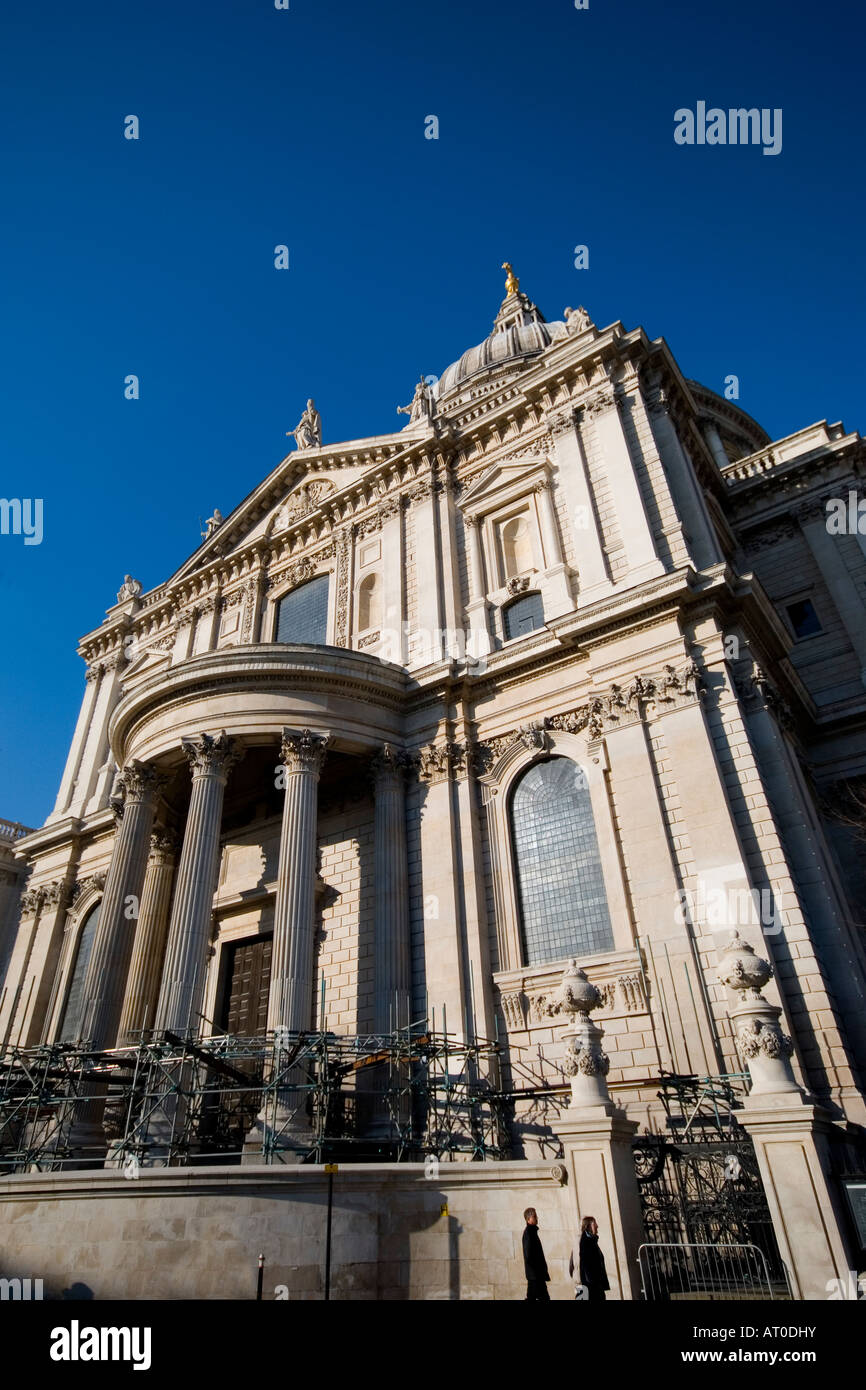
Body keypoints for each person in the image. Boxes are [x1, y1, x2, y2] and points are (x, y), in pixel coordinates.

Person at [569, 1215, 610, 1301]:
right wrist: (591, 1282)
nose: (597, 1226)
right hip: (584, 1283)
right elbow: (578, 1263)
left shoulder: (588, 1240)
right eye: (594, 1223)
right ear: (587, 1226)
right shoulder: (583, 1241)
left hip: (584, 1282)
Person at [522, 1207, 550, 1301]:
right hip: (535, 1276)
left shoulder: (532, 1232)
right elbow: (528, 1255)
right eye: (534, 1216)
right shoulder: (529, 1233)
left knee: (533, 1297)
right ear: (528, 1219)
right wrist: (537, 1270)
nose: (537, 1218)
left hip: (536, 1275)